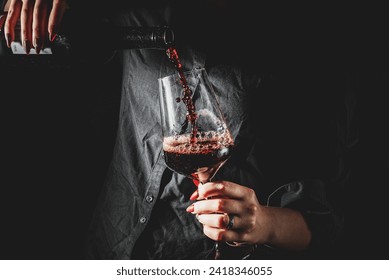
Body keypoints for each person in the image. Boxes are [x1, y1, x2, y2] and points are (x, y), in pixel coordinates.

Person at [2, 0, 356, 259]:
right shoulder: (142, 10)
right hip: (109, 245)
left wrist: (262, 222)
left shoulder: (315, 34)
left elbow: (329, 222)